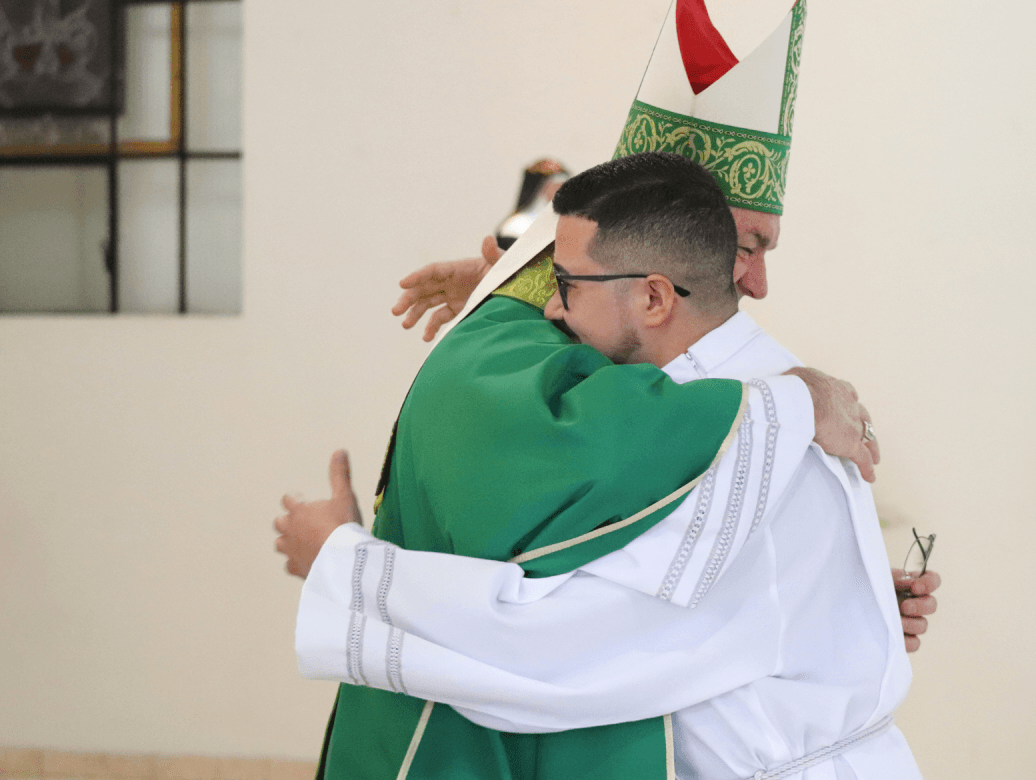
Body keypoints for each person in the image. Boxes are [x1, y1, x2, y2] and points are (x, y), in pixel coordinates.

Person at [281, 152, 923, 779]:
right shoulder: (766, 394)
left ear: (653, 298)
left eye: (563, 285)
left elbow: (546, 653)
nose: (552, 311)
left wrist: (340, 564)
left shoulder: (745, 434)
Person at [389, 0, 940, 646]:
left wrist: (843, 599)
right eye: (746, 246)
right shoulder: (551, 372)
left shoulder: (720, 376)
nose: (757, 284)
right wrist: (798, 403)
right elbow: (579, 628)